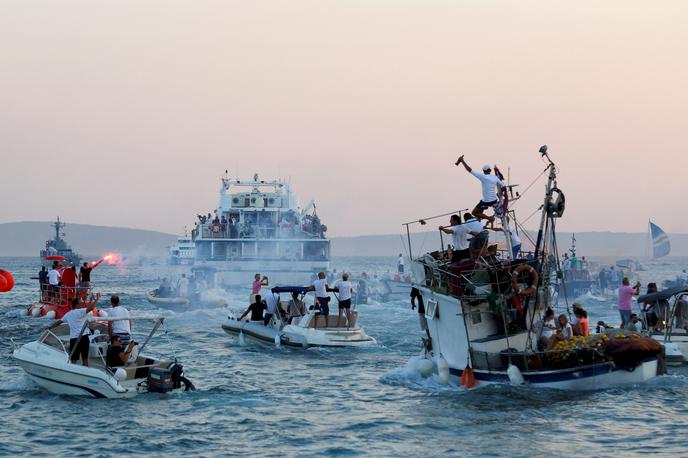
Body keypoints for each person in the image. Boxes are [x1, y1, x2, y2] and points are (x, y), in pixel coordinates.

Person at [46, 294, 100, 366]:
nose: (82, 303)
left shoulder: (68, 314)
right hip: (84, 337)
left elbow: (59, 322)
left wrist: (49, 327)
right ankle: (85, 372)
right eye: (80, 302)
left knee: (73, 360)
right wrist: (97, 299)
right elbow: (91, 308)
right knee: (85, 359)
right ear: (77, 304)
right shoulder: (81, 311)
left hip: (74, 338)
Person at [455, 155, 505, 223]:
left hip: (486, 201)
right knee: (480, 212)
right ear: (489, 170)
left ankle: (489, 218)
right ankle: (479, 220)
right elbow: (503, 187)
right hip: (494, 200)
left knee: (474, 212)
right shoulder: (495, 177)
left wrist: (462, 161)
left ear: (484, 170)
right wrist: (499, 194)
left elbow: (469, 170)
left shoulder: (483, 177)